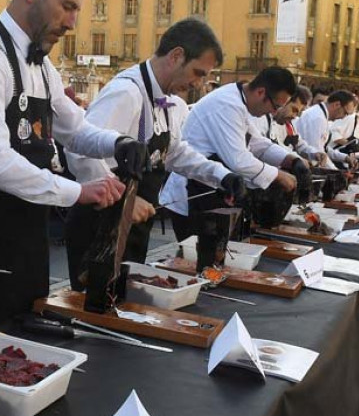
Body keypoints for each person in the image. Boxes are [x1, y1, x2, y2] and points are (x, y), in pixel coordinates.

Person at [0, 0, 146, 330]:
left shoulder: (43, 66)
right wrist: (78, 191)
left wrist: (118, 143)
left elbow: (76, 130)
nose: (72, 23)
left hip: (30, 231)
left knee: (24, 337)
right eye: (67, 7)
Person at [64, 19, 244, 287]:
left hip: (134, 228)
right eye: (198, 72)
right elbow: (81, 151)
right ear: (176, 56)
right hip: (100, 227)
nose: (198, 83)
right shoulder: (126, 92)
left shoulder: (168, 102)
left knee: (126, 302)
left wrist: (222, 175)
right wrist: (124, 197)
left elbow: (174, 153)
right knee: (93, 310)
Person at [160, 66, 305, 240]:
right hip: (193, 193)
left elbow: (256, 142)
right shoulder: (227, 105)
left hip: (215, 190)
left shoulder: (240, 102)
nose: (274, 112)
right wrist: (279, 176)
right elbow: (239, 160)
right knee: (197, 259)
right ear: (260, 92)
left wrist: (291, 159)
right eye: (275, 106)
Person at [250, 85, 325, 164]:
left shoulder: (289, 125)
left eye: (299, 113)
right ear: (284, 102)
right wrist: (295, 159)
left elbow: (299, 144)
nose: (294, 116)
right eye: (294, 110)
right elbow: (261, 149)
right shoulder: (260, 119)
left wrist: (314, 153)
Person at [294, 90, 359, 170]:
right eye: (345, 113)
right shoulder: (317, 118)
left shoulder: (322, 116)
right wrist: (336, 171)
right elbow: (318, 155)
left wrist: (345, 157)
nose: (343, 117)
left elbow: (324, 147)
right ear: (336, 105)